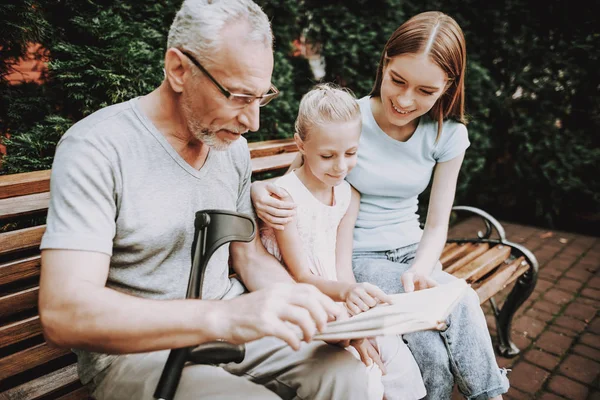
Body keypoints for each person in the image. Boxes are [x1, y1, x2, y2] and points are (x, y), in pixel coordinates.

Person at [38, 1, 372, 399]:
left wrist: (307, 310)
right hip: (137, 353)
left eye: (261, 98)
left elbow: (248, 259)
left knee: (346, 374)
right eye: (238, 97)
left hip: (228, 328)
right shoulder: (97, 148)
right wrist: (221, 317)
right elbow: (64, 313)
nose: (253, 122)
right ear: (179, 69)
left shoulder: (230, 149)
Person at [251, 11, 510, 400]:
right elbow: (301, 180)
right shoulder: (348, 118)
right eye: (398, 81)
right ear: (384, 63)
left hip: (414, 253)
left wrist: (421, 268)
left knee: (441, 330)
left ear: (448, 87)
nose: (405, 100)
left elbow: (438, 223)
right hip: (360, 257)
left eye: (425, 91)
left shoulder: (449, 134)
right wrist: (256, 193)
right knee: (453, 312)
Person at [259, 83, 427, 400]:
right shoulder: (285, 197)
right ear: (301, 144)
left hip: (338, 297)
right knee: (365, 373)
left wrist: (359, 316)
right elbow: (301, 276)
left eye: (350, 153)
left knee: (396, 357)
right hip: (303, 303)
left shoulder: (348, 196)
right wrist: (348, 306)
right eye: (327, 156)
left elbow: (342, 267)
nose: (340, 166)